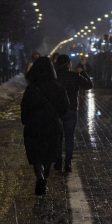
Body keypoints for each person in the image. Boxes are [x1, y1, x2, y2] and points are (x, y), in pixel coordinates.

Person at [20, 57, 68, 195]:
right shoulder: (58, 87)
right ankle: (44, 175)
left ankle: (40, 176)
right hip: (52, 126)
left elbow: (24, 107)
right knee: (49, 154)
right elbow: (65, 107)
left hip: (33, 126)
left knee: (36, 155)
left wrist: (26, 121)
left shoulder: (31, 88)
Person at [54, 54, 93, 172]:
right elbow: (89, 85)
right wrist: (83, 73)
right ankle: (68, 163)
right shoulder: (75, 76)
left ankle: (58, 162)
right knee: (69, 137)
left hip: (57, 111)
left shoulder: (54, 77)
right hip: (71, 110)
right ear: (68, 64)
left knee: (58, 137)